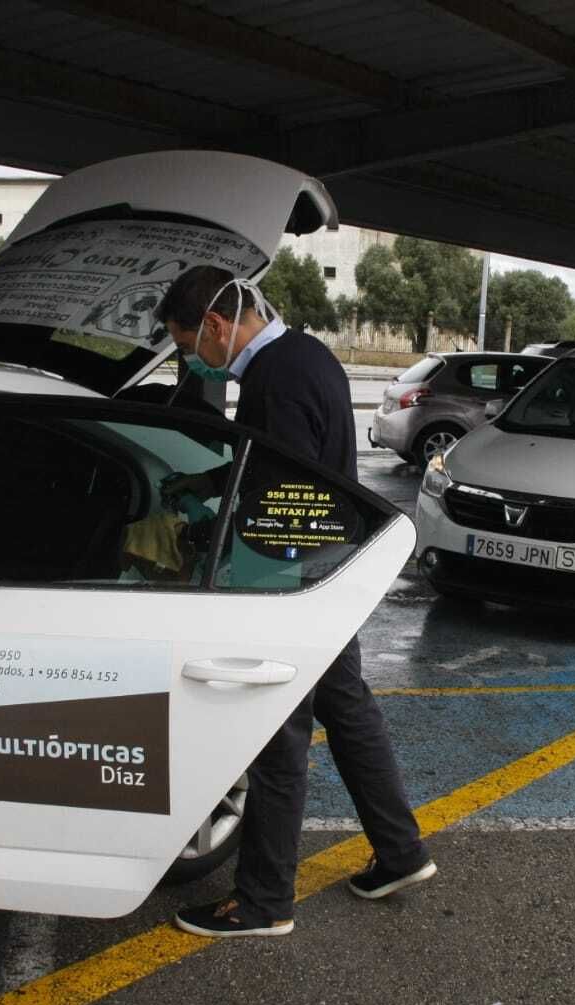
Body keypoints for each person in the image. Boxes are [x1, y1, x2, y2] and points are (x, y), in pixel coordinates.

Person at [156, 264, 435, 938]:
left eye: (189, 345)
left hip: (288, 580)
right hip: (328, 571)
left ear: (216, 325)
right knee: (347, 709)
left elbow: (283, 497)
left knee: (277, 734)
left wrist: (207, 533)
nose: (192, 360)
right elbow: (282, 466)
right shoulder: (308, 355)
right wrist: (211, 480)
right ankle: (400, 852)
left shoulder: (272, 380)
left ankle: (262, 902)